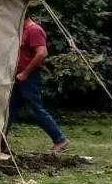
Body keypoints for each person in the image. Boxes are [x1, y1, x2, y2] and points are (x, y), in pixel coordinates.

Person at [5, 14, 69, 152]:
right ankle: (1, 142)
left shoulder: (34, 30)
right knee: (8, 109)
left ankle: (60, 139)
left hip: (29, 76)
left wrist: (26, 73)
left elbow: (41, 53)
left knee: (36, 109)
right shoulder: (22, 30)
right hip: (17, 76)